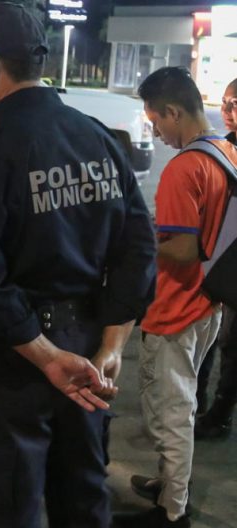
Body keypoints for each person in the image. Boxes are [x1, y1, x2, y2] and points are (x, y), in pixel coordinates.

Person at [0, 3, 156, 527]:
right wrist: (111, 346)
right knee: (83, 501)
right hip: (88, 353)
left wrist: (46, 357)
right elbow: (138, 248)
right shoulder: (97, 137)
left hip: (16, 363)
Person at [117, 67, 231, 528]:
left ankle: (171, 513)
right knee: (178, 404)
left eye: (156, 122)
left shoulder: (184, 168)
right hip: (208, 302)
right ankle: (169, 484)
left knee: (171, 413)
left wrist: (139, 239)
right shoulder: (226, 151)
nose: (157, 133)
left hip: (177, 308)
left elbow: (183, 248)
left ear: (173, 111)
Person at [194, 78, 237, 440]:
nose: (227, 111)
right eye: (224, 103)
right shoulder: (224, 147)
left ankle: (220, 414)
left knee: (232, 343)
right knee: (214, 337)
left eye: (234, 104)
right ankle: (203, 406)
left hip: (228, 261)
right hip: (219, 260)